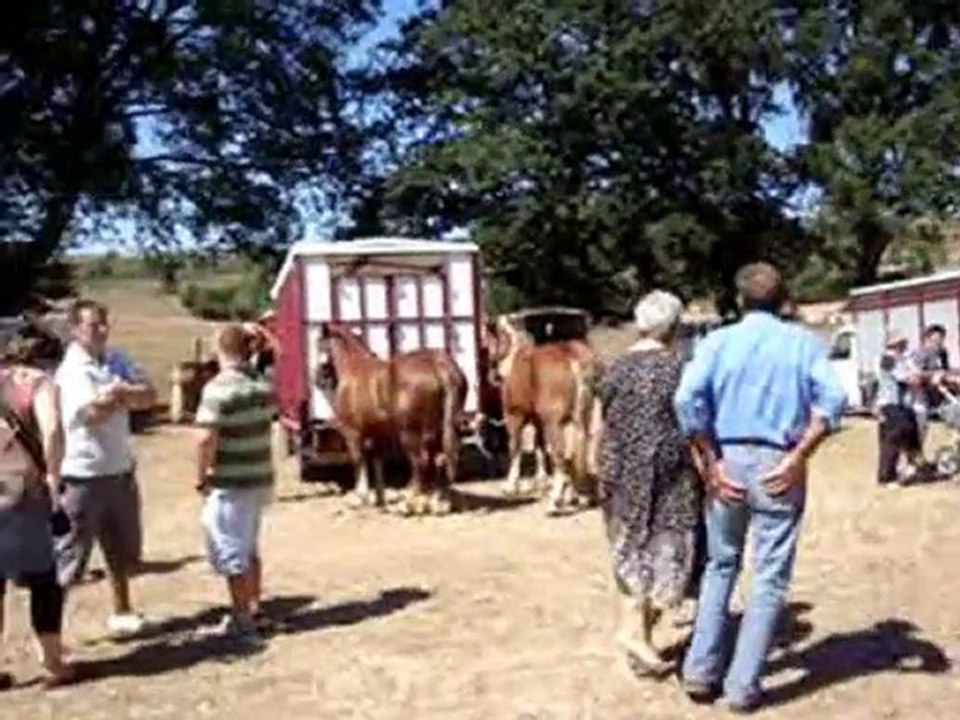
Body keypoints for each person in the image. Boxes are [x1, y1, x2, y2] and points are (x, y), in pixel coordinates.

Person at [674, 262, 846, 712]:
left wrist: (710, 461)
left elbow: (687, 400)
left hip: (727, 456)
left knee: (720, 565)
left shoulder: (715, 342)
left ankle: (700, 671)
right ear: (782, 297)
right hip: (777, 461)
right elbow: (833, 401)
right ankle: (742, 687)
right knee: (768, 577)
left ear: (740, 298)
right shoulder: (802, 344)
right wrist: (799, 456)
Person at [593, 290, 705, 674]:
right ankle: (633, 634)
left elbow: (599, 424)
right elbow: (694, 425)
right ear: (673, 327)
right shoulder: (679, 368)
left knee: (629, 553)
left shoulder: (613, 369)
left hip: (619, 474)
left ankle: (636, 640)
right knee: (670, 558)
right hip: (668, 477)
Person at [54, 299, 156, 637]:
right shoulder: (71, 370)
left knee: (120, 552)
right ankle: (51, 635)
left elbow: (149, 395)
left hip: (119, 469)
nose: (100, 330)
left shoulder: (117, 359)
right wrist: (124, 395)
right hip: (83, 476)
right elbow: (91, 415)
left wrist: (118, 394)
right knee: (71, 560)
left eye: (103, 323)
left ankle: (122, 612)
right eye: (92, 325)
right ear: (75, 329)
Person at [0, 332, 75, 687]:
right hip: (23, 494)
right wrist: (54, 475)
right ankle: (52, 661)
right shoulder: (39, 383)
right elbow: (53, 430)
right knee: (44, 580)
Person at [195, 324, 277, 648]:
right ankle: (254, 607)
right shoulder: (261, 384)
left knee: (230, 549)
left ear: (220, 349)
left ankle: (242, 618)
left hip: (231, 479)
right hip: (258, 475)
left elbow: (205, 437)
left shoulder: (217, 389)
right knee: (249, 545)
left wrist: (201, 475)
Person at [875, 331, 925, 486]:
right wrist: (919, 377)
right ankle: (887, 477)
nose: (906, 345)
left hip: (904, 405)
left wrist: (919, 375)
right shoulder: (887, 359)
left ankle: (911, 466)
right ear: (895, 344)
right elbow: (907, 378)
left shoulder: (902, 359)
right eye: (903, 342)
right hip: (890, 404)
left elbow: (916, 374)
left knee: (911, 433)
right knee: (892, 441)